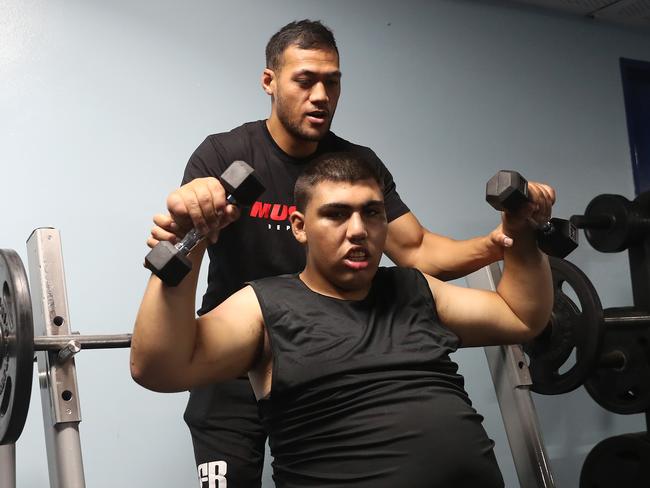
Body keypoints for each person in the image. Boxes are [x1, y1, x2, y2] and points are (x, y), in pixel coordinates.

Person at [149, 19, 540, 487]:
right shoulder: (225, 153)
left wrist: (500, 243)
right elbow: (189, 237)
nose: (321, 95)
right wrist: (194, 211)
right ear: (269, 81)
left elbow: (416, 249)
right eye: (305, 80)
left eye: (332, 82)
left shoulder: (356, 166)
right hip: (235, 347)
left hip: (328, 353)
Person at [131, 152, 554, 488]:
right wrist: (190, 244)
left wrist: (523, 232)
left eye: (372, 213)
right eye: (336, 214)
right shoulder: (264, 304)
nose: (358, 230)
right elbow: (159, 367)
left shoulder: (413, 288)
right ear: (299, 226)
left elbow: (521, 316)